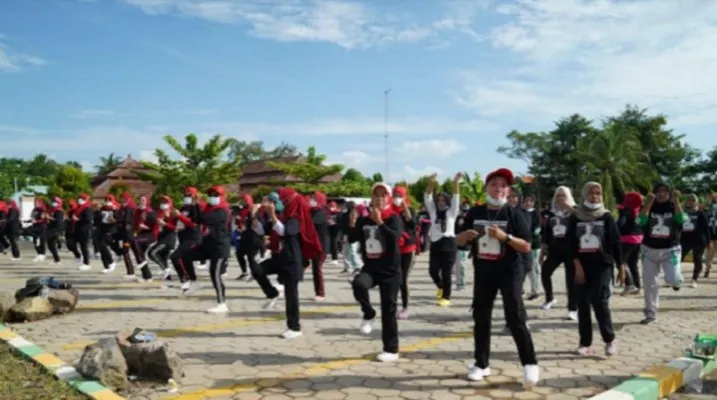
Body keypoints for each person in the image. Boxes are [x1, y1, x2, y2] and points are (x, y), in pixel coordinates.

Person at [456, 168, 538, 386]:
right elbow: (459, 241)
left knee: (515, 315)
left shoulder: (515, 214)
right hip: (484, 269)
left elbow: (526, 245)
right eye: (494, 184)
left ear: (508, 190)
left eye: (503, 185)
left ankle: (530, 364)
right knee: (481, 317)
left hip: (510, 270)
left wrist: (506, 237)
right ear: (486, 188)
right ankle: (481, 364)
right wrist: (463, 237)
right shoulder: (475, 213)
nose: (498, 189)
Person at [250, 189, 322, 338]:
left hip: (292, 261)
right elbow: (263, 231)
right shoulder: (282, 215)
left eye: (279, 200)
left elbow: (285, 232)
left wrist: (273, 215)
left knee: (291, 296)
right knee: (257, 269)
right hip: (279, 257)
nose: (276, 203)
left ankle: (294, 328)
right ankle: (272, 293)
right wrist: (254, 217)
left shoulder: (295, 218)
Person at [350, 183, 403, 362]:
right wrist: (352, 221)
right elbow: (352, 238)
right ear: (371, 198)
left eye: (383, 195)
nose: (379, 199)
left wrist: (380, 221)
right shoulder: (365, 220)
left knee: (389, 310)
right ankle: (369, 313)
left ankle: (391, 349)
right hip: (371, 268)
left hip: (390, 271)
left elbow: (395, 238)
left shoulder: (394, 218)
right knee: (358, 284)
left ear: (388, 198)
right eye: (376, 195)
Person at [567, 182, 619, 356]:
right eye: (591, 193)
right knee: (583, 305)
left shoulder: (606, 216)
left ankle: (609, 339)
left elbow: (614, 242)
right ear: (584, 195)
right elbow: (570, 244)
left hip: (602, 266)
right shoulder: (576, 217)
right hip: (581, 265)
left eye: (598, 193)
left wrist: (622, 266)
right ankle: (585, 343)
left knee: (599, 301)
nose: (595, 196)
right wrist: (577, 265)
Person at [638, 182, 685, 325]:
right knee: (649, 284)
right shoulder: (648, 206)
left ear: (670, 194)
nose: (662, 194)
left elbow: (681, 220)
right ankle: (650, 314)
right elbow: (640, 221)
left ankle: (676, 281)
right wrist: (648, 203)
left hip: (670, 251)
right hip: (649, 250)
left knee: (673, 280)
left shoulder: (674, 206)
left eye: (665, 191)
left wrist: (677, 201)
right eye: (659, 191)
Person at [539, 186, 577, 319]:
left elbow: (582, 219)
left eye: (563, 196)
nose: (561, 198)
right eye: (558, 196)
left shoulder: (574, 210)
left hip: (571, 249)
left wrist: (569, 207)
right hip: (555, 248)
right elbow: (546, 232)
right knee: (545, 272)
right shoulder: (551, 213)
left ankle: (572, 308)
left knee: (571, 280)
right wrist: (543, 250)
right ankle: (550, 298)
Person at [424, 172, 462, 307]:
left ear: (447, 201)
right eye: (438, 200)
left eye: (443, 200)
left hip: (449, 244)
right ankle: (440, 286)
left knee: (446, 272)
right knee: (432, 271)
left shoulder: (452, 212)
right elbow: (427, 197)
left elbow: (456, 197)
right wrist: (431, 184)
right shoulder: (433, 212)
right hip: (435, 244)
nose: (440, 203)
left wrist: (455, 182)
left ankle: (447, 297)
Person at [171, 187, 204, 295]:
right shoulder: (183, 207)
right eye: (185, 195)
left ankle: (185, 280)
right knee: (186, 259)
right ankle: (193, 282)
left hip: (193, 238)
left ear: (195, 196)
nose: (186, 197)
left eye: (189, 195)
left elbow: (194, 223)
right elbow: (178, 222)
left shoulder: (197, 208)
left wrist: (180, 216)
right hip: (183, 237)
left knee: (175, 256)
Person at [391, 185, 417, 320]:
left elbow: (412, 224)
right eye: (394, 195)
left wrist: (405, 207)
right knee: (394, 278)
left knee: (403, 279)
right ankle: (393, 306)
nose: (396, 198)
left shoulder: (410, 209)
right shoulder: (390, 210)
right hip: (393, 249)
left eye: (399, 195)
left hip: (407, 249)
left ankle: (405, 307)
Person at [680, 194, 711, 287]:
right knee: (678, 258)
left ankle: (694, 279)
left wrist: (708, 242)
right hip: (684, 239)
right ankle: (676, 277)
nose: (691, 202)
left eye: (693, 200)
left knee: (697, 259)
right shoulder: (682, 212)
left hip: (698, 240)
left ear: (696, 202)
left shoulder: (701, 213)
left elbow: (706, 228)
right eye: (689, 200)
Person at [148, 196, 179, 286]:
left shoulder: (174, 213)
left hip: (169, 239)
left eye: (165, 202)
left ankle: (165, 269)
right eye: (161, 202)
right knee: (164, 259)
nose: (163, 204)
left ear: (170, 203)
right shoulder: (160, 212)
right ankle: (168, 283)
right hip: (161, 238)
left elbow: (176, 228)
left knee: (152, 253)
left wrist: (164, 223)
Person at [616, 191, 643, 295]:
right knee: (633, 264)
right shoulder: (639, 209)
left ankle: (629, 285)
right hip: (638, 239)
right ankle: (637, 286)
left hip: (627, 239)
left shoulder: (626, 210)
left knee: (621, 262)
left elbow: (620, 223)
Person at [522, 193, 542, 300]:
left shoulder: (536, 213)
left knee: (533, 267)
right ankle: (520, 289)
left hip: (533, 244)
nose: (528, 203)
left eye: (531, 200)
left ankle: (535, 291)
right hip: (521, 244)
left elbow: (538, 228)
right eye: (526, 200)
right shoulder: (520, 212)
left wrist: (530, 237)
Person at [73, 193, 93, 271]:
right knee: (81, 246)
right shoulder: (79, 208)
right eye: (79, 198)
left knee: (84, 247)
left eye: (82, 198)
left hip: (86, 230)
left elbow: (88, 219)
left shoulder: (87, 208)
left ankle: (87, 263)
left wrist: (78, 219)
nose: (80, 200)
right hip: (79, 229)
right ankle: (84, 261)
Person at [46, 197, 65, 264]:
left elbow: (58, 221)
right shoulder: (52, 210)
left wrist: (49, 218)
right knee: (50, 245)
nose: (53, 203)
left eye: (55, 202)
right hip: (50, 228)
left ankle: (57, 259)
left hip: (55, 229)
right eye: (53, 201)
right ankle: (56, 259)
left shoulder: (59, 211)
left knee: (51, 244)